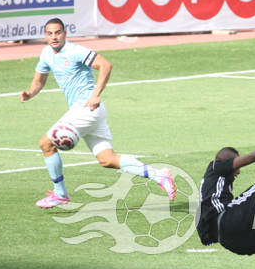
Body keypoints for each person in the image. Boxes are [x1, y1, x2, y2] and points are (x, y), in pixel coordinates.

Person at [20, 18, 176, 208]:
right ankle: (159, 175)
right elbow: (39, 81)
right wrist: (30, 93)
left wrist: (96, 94)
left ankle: (60, 194)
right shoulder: (46, 54)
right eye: (50, 33)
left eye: (58, 32)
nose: (54, 37)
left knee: (45, 144)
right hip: (91, 112)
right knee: (107, 160)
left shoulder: (75, 51)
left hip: (86, 107)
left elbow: (105, 65)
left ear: (65, 33)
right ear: (45, 35)